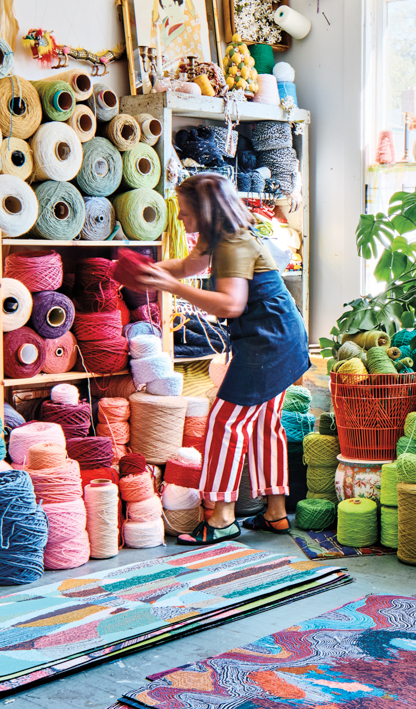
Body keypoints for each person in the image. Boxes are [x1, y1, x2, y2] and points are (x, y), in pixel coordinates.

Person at [129, 173, 310, 544]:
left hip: (269, 342)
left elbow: (231, 303)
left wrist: (172, 287)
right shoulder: (220, 238)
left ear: (204, 210)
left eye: (184, 210)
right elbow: (186, 268)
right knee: (263, 425)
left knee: (224, 423)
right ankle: (275, 513)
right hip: (278, 337)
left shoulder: (233, 244)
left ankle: (223, 516)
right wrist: (151, 272)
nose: (179, 217)